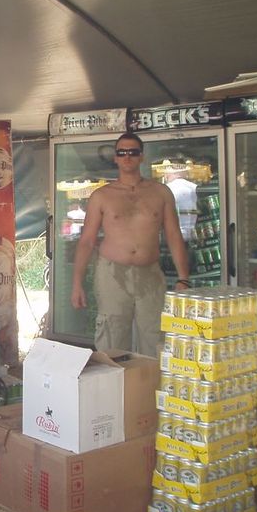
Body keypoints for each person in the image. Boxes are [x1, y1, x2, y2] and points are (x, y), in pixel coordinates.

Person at [71, 132, 189, 357]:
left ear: (141, 156)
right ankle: (114, 380)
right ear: (115, 157)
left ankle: (148, 381)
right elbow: (86, 241)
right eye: (122, 152)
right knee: (112, 339)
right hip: (112, 273)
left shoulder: (161, 192)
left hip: (150, 273)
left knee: (155, 338)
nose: (127, 157)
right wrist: (77, 284)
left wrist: (184, 278)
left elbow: (174, 235)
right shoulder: (102, 196)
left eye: (133, 152)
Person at [164, 164, 198, 241]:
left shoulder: (166, 189)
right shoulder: (194, 187)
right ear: (185, 173)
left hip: (172, 236)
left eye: (166, 173)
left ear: (169, 173)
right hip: (193, 234)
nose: (165, 176)